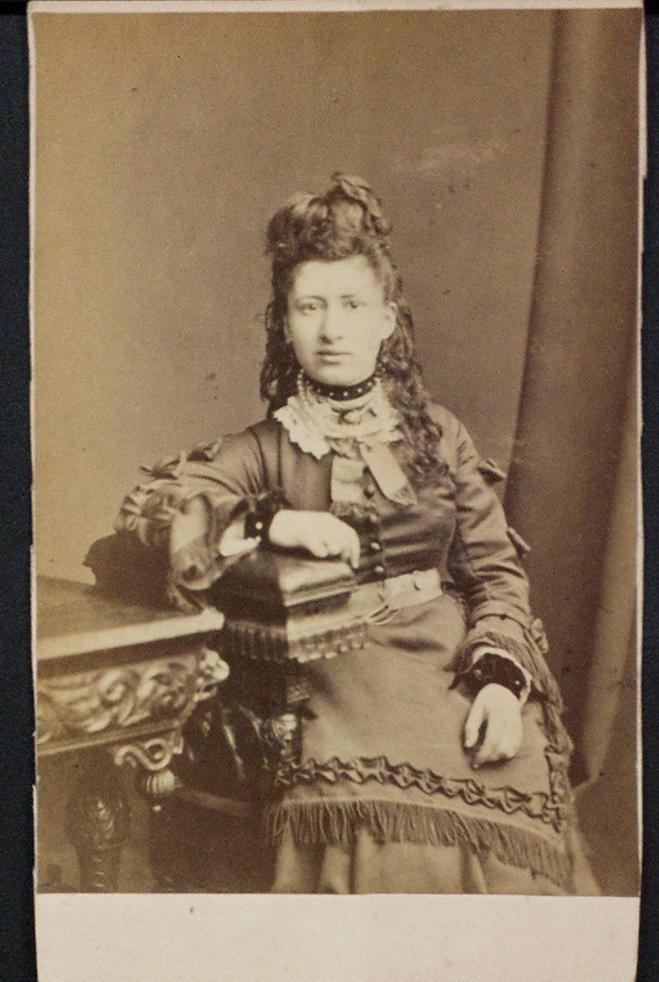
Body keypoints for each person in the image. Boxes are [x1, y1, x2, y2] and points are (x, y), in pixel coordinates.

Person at [114, 174, 594, 894]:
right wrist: (276, 519)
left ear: (386, 320)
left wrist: (498, 678)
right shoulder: (266, 446)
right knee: (373, 813)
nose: (331, 330)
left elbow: (495, 573)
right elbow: (156, 504)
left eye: (351, 305)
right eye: (310, 307)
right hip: (334, 667)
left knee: (511, 773)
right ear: (284, 323)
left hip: (449, 656)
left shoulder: (440, 437)